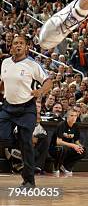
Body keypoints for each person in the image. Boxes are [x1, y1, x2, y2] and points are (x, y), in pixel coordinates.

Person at [0, 34, 52, 188]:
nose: (18, 45)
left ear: (26, 47)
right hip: (8, 107)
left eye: (21, 43)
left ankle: (29, 180)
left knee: (27, 144)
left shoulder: (32, 64)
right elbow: (3, 83)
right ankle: (18, 147)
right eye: (15, 43)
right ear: (11, 47)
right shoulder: (5, 62)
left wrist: (40, 91)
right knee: (3, 138)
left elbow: (48, 81)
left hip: (26, 108)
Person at [49, 108, 85, 176]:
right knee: (63, 148)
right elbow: (58, 142)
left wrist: (79, 146)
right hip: (54, 149)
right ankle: (56, 168)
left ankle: (66, 166)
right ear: (67, 116)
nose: (74, 117)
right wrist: (73, 145)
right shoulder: (62, 125)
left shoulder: (76, 126)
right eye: (71, 115)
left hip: (67, 148)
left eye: (75, 116)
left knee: (83, 150)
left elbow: (76, 141)